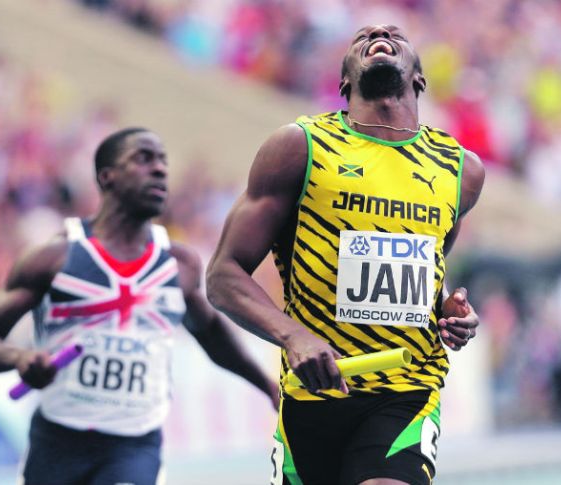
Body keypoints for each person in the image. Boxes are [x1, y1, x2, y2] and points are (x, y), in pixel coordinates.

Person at [206, 24, 485, 485]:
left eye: (396, 33)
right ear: (344, 84)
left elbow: (423, 270)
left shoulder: (460, 170)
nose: (379, 31)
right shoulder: (300, 148)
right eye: (361, 39)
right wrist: (293, 337)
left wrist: (447, 311)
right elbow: (222, 275)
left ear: (419, 78)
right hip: (314, 395)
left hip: (406, 389)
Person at [0, 127, 279, 485]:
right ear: (106, 176)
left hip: (134, 447)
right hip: (58, 441)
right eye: (143, 159)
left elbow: (213, 336)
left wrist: (267, 386)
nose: (160, 169)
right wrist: (17, 359)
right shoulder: (53, 258)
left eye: (163, 161)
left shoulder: (179, 264)